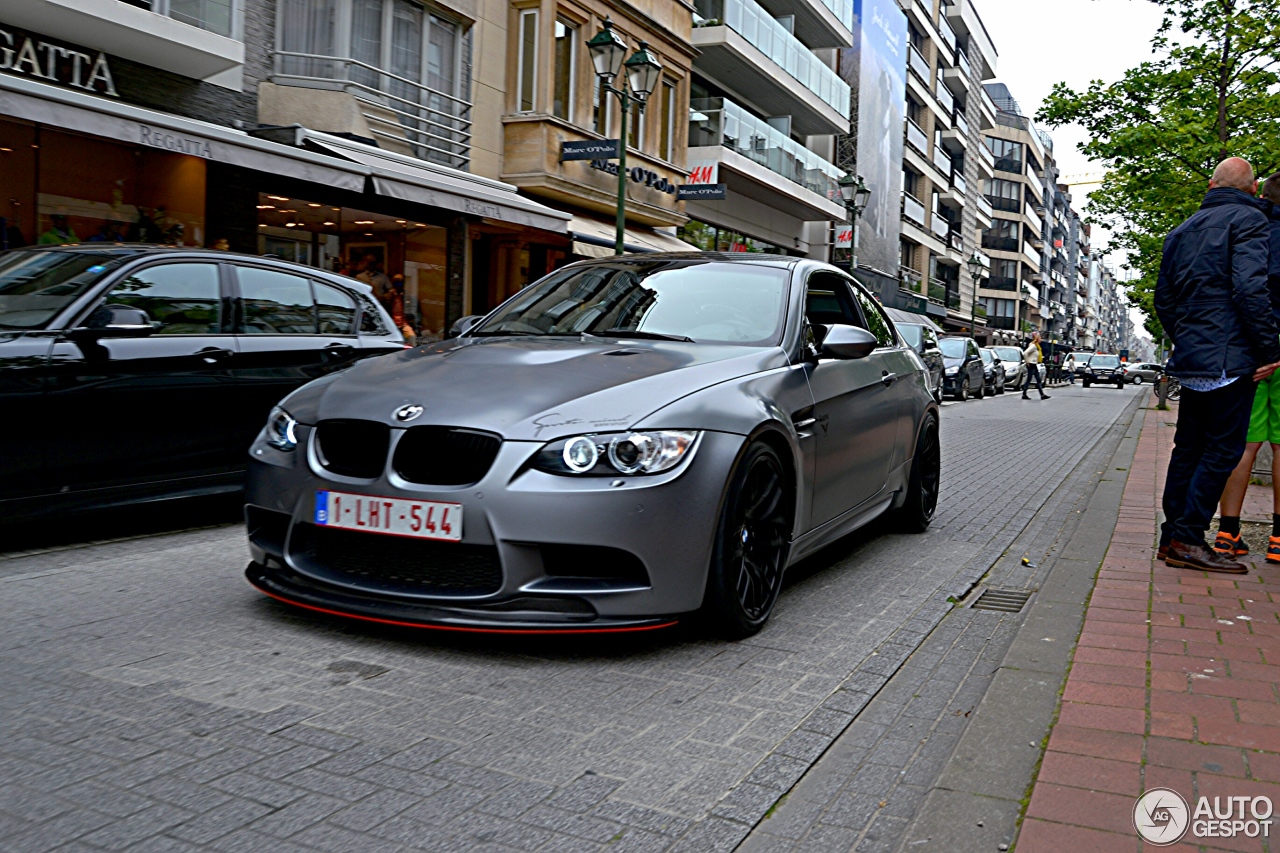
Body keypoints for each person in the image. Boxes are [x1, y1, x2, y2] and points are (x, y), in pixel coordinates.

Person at [1156, 157, 1280, 573]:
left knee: (1187, 448)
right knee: (1222, 450)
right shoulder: (1250, 220)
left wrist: (1187, 338)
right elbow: (1250, 289)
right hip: (1230, 356)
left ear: (1211, 185)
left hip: (1194, 357)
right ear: (1252, 187)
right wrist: (1268, 350)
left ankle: (1170, 536)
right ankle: (1189, 540)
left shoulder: (1180, 230)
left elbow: (1164, 301)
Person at [1214, 171, 1280, 562]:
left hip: (1252, 347)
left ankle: (1227, 532)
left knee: (1245, 442)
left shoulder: (1245, 228)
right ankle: (1278, 540)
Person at [1022, 331, 1050, 400]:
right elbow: (1025, 353)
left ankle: (1042, 394)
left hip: (1034, 364)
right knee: (1030, 379)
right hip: (1031, 364)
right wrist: (1027, 361)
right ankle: (1024, 394)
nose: (1041, 339)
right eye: (1040, 337)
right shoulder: (1033, 346)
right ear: (1037, 338)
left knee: (1038, 379)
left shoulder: (1036, 346)